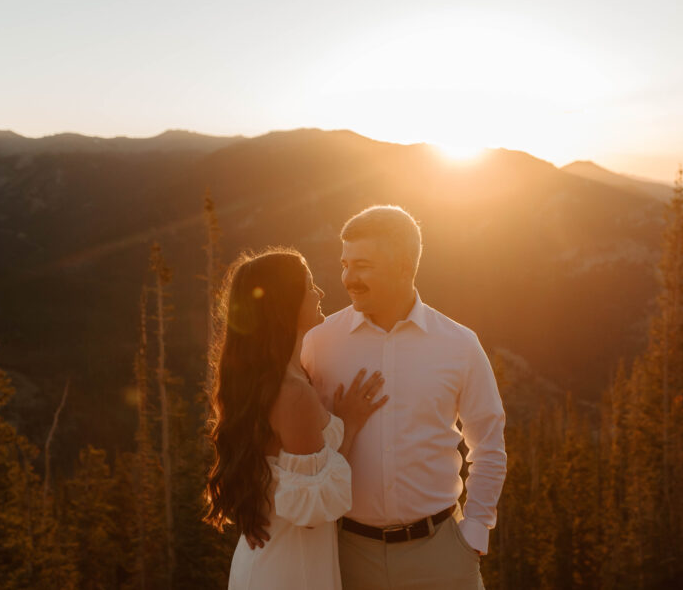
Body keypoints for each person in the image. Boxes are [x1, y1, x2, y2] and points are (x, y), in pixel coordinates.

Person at [302, 206, 507, 590]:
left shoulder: (459, 344)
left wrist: (475, 531)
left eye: (362, 265)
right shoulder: (319, 343)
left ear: (403, 267)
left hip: (442, 556)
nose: (347, 279)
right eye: (345, 264)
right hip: (345, 554)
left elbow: (490, 443)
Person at [203, 248, 388, 590]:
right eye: (309, 285)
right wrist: (348, 425)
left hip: (274, 556)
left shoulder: (280, 377)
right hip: (291, 566)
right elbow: (312, 510)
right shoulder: (292, 392)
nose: (319, 293)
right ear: (284, 303)